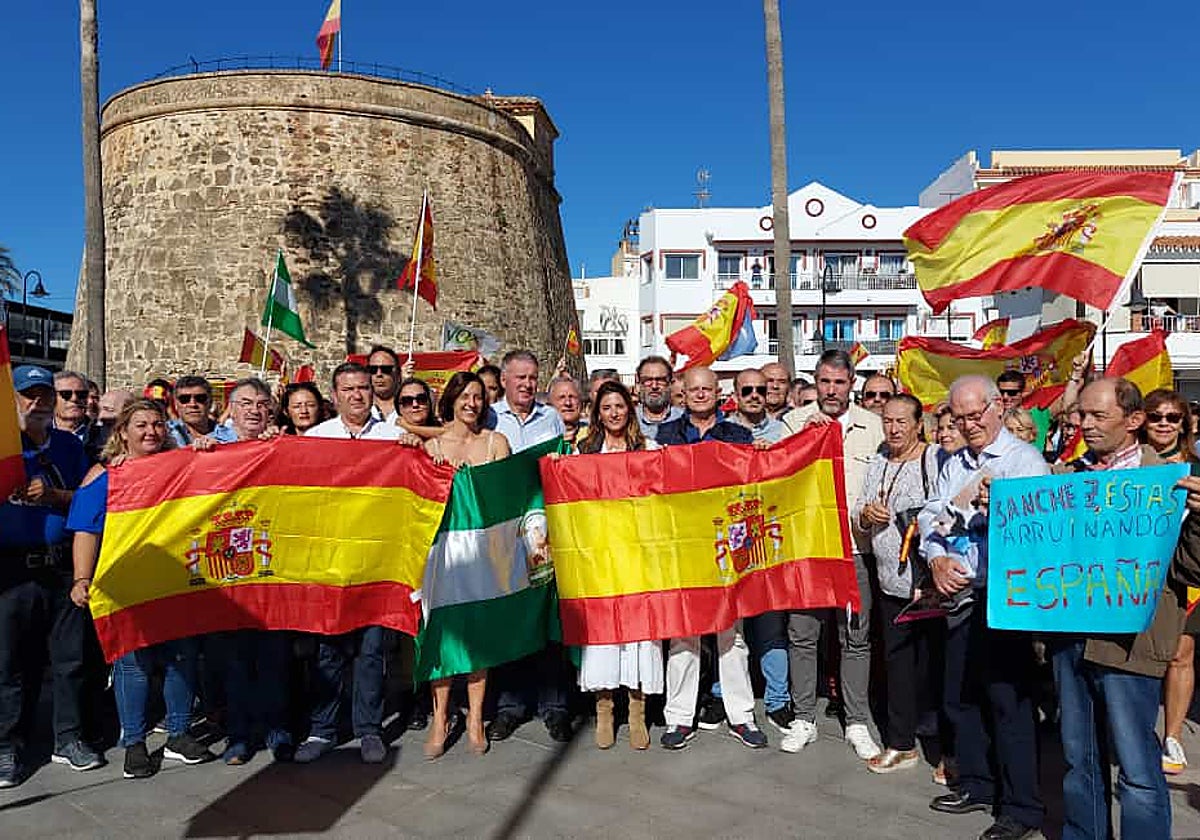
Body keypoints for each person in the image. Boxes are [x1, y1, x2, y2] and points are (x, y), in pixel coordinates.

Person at [1051, 377, 1200, 840]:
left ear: (1134, 420)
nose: (1085, 424)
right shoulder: (1066, 477)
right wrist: (999, 508)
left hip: (1131, 643)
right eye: (1081, 414)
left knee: (1136, 766)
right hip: (1071, 637)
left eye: (1098, 415)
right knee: (1078, 760)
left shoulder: (1170, 481)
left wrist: (1199, 520)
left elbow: (1191, 568)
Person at [919, 375, 1047, 840]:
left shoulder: (1024, 461)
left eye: (975, 415)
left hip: (1004, 598)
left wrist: (998, 512)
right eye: (959, 418)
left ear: (998, 408)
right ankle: (976, 782)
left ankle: (1021, 807)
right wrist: (936, 558)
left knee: (1008, 703)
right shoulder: (954, 462)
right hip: (961, 594)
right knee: (961, 694)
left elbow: (1038, 533)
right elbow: (930, 516)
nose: (968, 425)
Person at [68, 399, 216, 779]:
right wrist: (82, 578)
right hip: (125, 582)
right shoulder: (107, 475)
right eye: (141, 425)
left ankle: (179, 734)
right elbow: (87, 529)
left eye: (158, 424)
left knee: (182, 657)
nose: (151, 431)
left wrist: (205, 450)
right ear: (123, 432)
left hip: (175, 580)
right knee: (132, 664)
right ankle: (134, 743)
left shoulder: (182, 466)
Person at [778, 350, 883, 761]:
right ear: (815, 382)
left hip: (855, 549)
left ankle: (856, 721)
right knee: (802, 635)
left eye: (840, 382)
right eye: (825, 381)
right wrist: (803, 440)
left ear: (852, 384)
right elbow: (777, 479)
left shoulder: (873, 427)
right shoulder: (794, 422)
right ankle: (803, 717)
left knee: (855, 636)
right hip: (808, 551)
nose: (832, 390)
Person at [655, 366, 767, 750]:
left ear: (718, 393)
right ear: (682, 394)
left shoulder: (739, 435)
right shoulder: (666, 436)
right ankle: (679, 717)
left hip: (726, 544)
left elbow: (753, 486)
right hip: (683, 543)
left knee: (731, 636)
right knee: (683, 635)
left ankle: (741, 716)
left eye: (707, 389)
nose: (701, 394)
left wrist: (763, 457)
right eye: (694, 389)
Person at [298, 363, 404, 764]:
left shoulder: (393, 437)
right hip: (330, 562)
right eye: (348, 389)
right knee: (328, 650)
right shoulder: (316, 438)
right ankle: (322, 730)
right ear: (335, 395)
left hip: (377, 560)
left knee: (371, 651)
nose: (357, 395)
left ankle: (369, 729)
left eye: (363, 387)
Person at [0, 366, 95, 786]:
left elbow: (90, 498)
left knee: (69, 658)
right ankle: (6, 745)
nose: (37, 402)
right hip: (11, 568)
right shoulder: (3, 445)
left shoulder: (69, 446)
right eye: (28, 395)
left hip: (61, 566)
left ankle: (69, 738)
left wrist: (55, 495)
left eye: (44, 395)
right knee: (9, 663)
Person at [194, 379, 294, 766]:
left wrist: (279, 446)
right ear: (231, 409)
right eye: (246, 403)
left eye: (262, 403)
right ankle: (238, 736)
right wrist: (199, 454)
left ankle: (278, 730)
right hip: (227, 564)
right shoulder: (211, 447)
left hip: (271, 563)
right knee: (234, 659)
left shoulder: (279, 444)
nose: (254, 410)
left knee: (274, 655)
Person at [422, 372, 512, 759]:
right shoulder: (431, 446)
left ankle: (475, 718)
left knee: (478, 637)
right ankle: (440, 717)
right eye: (464, 396)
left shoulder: (496, 442)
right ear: (452, 400)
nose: (471, 403)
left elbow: (507, 498)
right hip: (442, 554)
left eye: (477, 396)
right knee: (441, 635)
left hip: (482, 553)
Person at [486, 351, 574, 743]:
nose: (526, 383)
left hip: (542, 533)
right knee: (511, 621)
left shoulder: (551, 417)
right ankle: (510, 706)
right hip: (504, 534)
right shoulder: (490, 418)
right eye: (519, 377)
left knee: (547, 619)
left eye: (532, 377)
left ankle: (555, 706)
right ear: (504, 379)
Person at [854, 394, 944, 773]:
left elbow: (946, 510)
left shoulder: (934, 459)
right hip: (890, 581)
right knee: (898, 664)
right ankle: (901, 742)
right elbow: (859, 508)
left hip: (929, 582)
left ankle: (947, 751)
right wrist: (865, 515)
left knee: (936, 665)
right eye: (887, 421)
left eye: (901, 421)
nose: (892, 429)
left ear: (919, 424)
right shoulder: (878, 459)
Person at [573, 381, 664, 750]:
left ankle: (637, 712)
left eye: (619, 406)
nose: (614, 413)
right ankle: (605, 710)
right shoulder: (583, 451)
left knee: (640, 633)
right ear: (598, 413)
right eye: (606, 407)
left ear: (630, 409)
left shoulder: (650, 449)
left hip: (639, 555)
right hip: (600, 556)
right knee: (604, 635)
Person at [727, 368, 791, 731]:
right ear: (735, 394)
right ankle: (723, 695)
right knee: (729, 627)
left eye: (760, 390)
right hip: (731, 536)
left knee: (771, 623)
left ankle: (777, 699)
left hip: (770, 535)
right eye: (747, 389)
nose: (754, 395)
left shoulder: (784, 432)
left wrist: (776, 456)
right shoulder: (722, 432)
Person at [1140, 389, 1200, 775]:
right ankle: (1136, 729)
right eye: (1156, 416)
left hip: (1187, 571)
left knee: (1181, 652)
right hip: (1139, 572)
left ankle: (1173, 735)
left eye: (1172, 417)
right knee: (1145, 654)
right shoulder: (1130, 464)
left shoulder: (1196, 468)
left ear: (1184, 425)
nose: (1164, 424)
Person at [168, 376, 239, 447]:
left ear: (210, 402)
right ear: (176, 404)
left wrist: (220, 448)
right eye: (184, 399)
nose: (193, 404)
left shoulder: (232, 437)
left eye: (200, 398)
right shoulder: (167, 432)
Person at [53, 369, 104, 464]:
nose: (74, 398)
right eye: (66, 394)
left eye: (81, 394)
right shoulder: (38, 436)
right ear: (52, 397)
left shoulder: (104, 437)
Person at [634, 355, 683, 438]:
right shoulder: (628, 420)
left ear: (670, 384)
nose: (654, 386)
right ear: (638, 384)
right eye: (648, 380)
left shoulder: (685, 419)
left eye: (661, 380)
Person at [366, 345, 402, 422]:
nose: (379, 374)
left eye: (386, 369)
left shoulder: (412, 406)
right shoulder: (359, 409)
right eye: (373, 369)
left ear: (398, 374)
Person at [548, 377, 585, 445]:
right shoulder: (540, 438)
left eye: (572, 397)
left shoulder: (593, 436)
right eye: (562, 397)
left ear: (581, 404)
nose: (568, 403)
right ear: (550, 405)